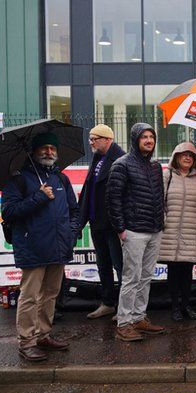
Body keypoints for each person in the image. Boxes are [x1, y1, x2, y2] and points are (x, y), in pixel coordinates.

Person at [2, 132, 79, 362]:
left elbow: (74, 211)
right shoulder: (19, 179)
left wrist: (71, 233)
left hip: (58, 247)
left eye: (52, 148)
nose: (49, 152)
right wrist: (39, 197)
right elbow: (9, 212)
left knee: (50, 295)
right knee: (30, 296)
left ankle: (43, 335)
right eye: (44, 148)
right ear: (33, 151)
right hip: (32, 247)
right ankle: (27, 342)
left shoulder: (61, 179)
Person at [108, 123, 166, 342]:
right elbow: (113, 200)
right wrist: (121, 229)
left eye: (151, 136)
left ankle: (139, 317)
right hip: (133, 231)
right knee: (131, 278)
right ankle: (124, 323)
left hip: (154, 230)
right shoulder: (121, 165)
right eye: (144, 137)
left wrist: (160, 223)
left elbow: (159, 197)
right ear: (135, 140)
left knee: (146, 277)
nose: (149, 140)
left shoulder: (155, 167)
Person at [158, 142, 196, 322]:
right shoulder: (167, 175)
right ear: (176, 156)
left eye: (191, 155)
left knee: (187, 272)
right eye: (184, 154)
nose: (187, 157)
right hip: (170, 232)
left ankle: (185, 306)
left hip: (191, 232)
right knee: (173, 272)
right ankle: (174, 307)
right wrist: (163, 222)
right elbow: (159, 202)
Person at [77, 124, 126, 320]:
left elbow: (124, 195)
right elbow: (89, 191)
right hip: (96, 222)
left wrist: (120, 223)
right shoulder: (97, 159)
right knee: (103, 265)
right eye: (90, 138)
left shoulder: (120, 159)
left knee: (120, 266)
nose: (91, 142)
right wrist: (80, 220)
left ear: (107, 139)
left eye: (94, 138)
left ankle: (123, 307)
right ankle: (107, 303)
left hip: (112, 225)